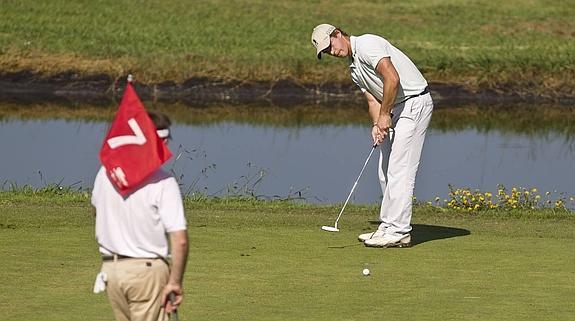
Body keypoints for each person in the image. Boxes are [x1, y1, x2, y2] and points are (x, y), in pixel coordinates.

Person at [311, 24, 433, 248]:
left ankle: (400, 230)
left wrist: (385, 115)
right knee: (385, 170)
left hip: (414, 103)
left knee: (400, 169)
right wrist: (377, 124)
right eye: (326, 52)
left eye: (330, 46)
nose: (332, 52)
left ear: (337, 34)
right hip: (395, 107)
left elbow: (392, 78)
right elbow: (372, 100)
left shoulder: (367, 44)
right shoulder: (354, 68)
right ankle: (387, 226)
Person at [92, 112, 189, 321]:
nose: (167, 147)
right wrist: (175, 282)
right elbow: (179, 240)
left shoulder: (105, 174)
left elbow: (96, 212)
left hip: (112, 271)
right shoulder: (163, 182)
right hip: (146, 272)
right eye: (165, 141)